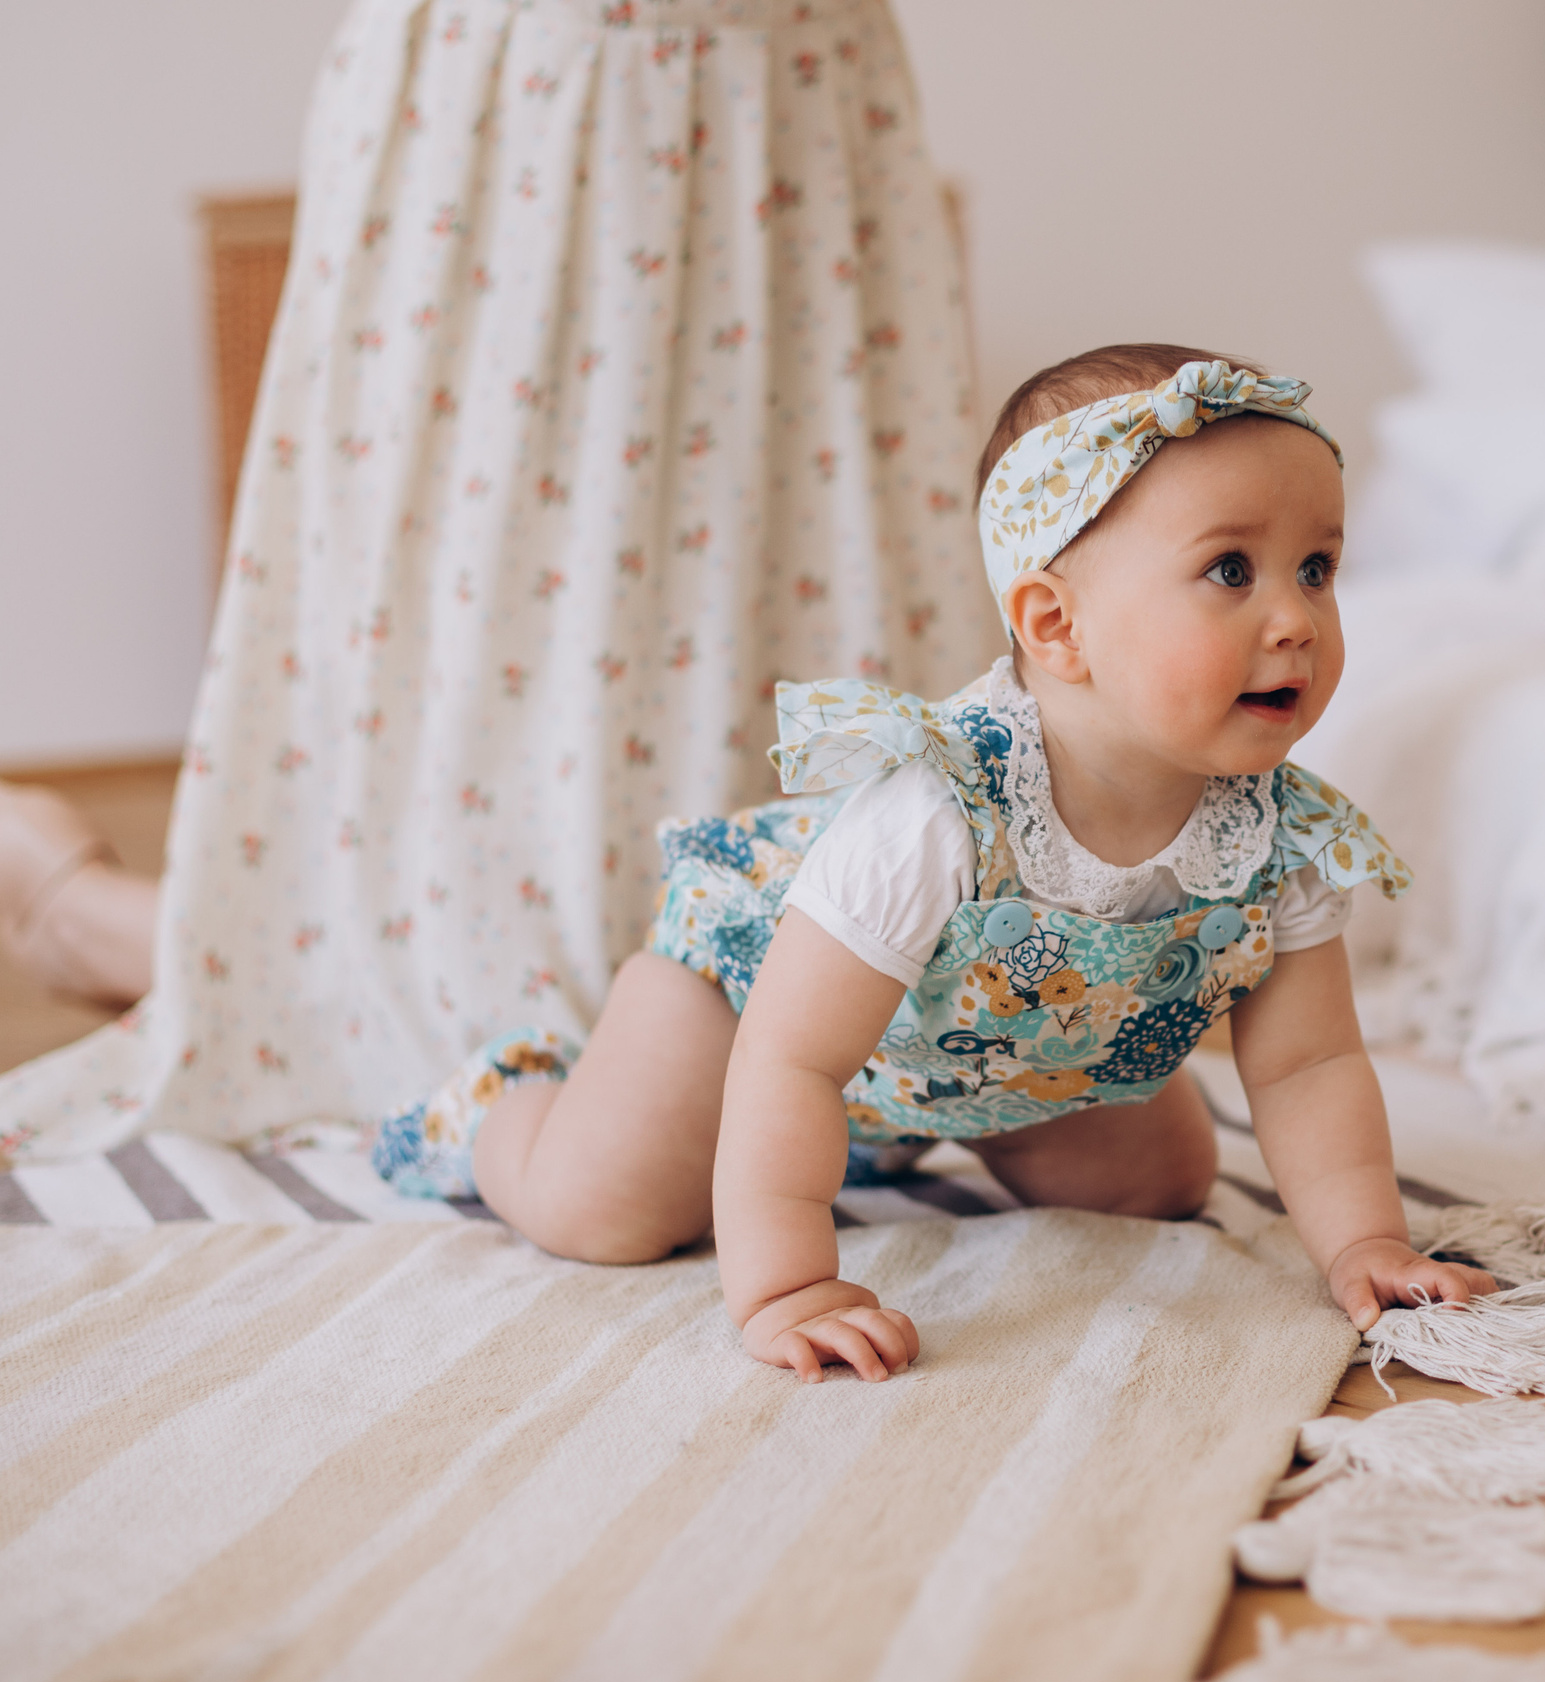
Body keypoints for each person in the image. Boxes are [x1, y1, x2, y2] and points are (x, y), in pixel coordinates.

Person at [369, 346, 1499, 1379]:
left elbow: (1307, 1068)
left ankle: (895, 1139)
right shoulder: (938, 807)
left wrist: (1363, 1242)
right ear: (1055, 628)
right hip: (750, 1014)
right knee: (601, 1212)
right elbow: (794, 1059)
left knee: (1156, 1193)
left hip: (1002, 1058)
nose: (1296, 617)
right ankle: (509, 1105)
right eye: (1229, 572)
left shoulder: (1281, 833)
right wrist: (789, 1286)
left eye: (1316, 567)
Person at [0, 0, 996, 1163]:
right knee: (508, 824)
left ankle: (101, 926)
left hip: (798, 90)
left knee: (797, 856)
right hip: (541, 97)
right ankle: (91, 922)